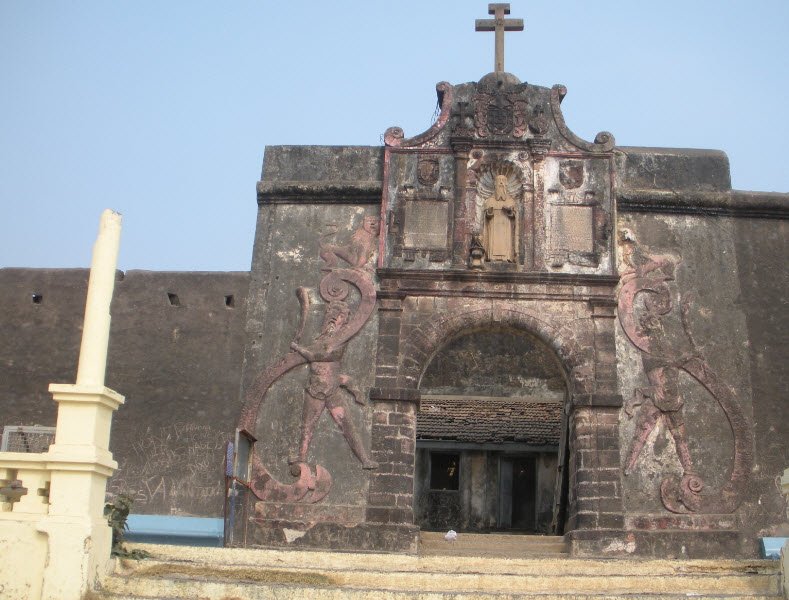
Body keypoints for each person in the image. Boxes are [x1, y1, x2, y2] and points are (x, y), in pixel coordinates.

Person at [289, 300, 378, 470]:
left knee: (347, 426)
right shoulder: (319, 338)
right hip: (314, 389)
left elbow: (320, 356)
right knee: (307, 426)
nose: (335, 318)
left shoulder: (340, 340)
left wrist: (299, 349)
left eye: (340, 316)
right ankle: (301, 458)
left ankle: (364, 459)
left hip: (332, 389)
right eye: (333, 314)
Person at [483, 175, 517, 262]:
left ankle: (507, 257)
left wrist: (509, 211)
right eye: (499, 181)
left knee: (506, 243)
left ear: (506, 185)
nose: (501, 183)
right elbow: (486, 217)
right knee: (493, 243)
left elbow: (514, 217)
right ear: (495, 184)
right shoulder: (490, 201)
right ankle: (492, 257)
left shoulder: (511, 201)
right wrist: (489, 212)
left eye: (503, 181)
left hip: (506, 227)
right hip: (493, 227)